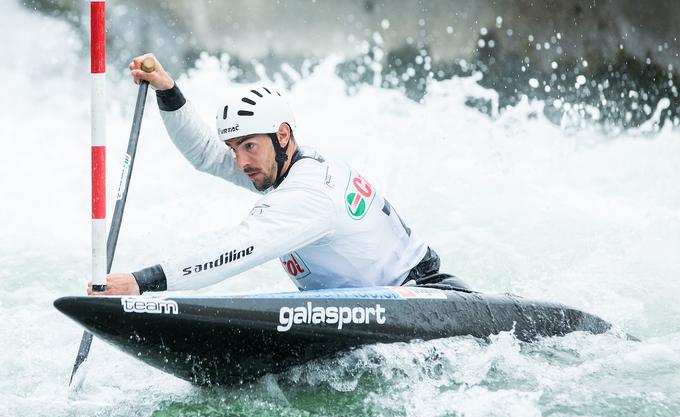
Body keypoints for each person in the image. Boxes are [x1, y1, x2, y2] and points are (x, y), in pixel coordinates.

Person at [88, 53, 459, 296]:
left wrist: (140, 283)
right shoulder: (283, 167)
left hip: (424, 299)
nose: (239, 161)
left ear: (282, 135)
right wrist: (168, 92)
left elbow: (233, 250)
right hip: (395, 297)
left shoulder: (308, 194)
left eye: (248, 146)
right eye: (235, 149)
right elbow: (205, 153)